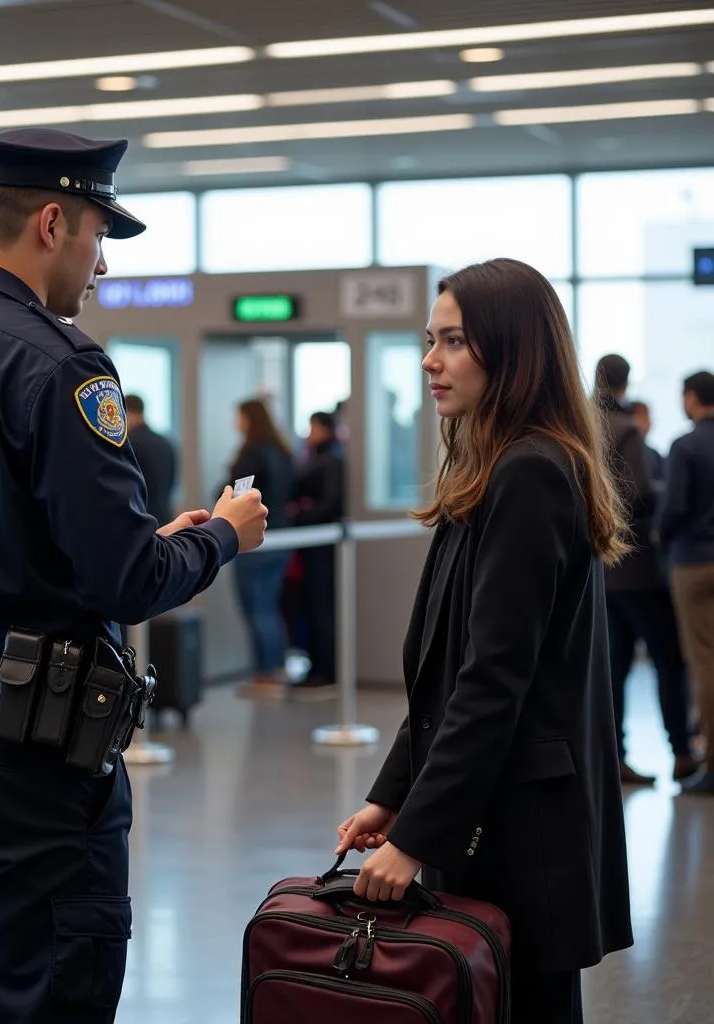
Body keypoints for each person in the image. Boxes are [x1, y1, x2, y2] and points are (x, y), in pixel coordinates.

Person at [0, 127, 268, 1024]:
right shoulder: (59, 365)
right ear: (54, 222)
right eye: (99, 236)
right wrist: (221, 536)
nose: (99, 265)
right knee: (42, 997)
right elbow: (127, 581)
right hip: (19, 752)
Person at [336, 259, 632, 1024]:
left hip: (520, 834)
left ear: (514, 351)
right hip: (491, 815)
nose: (431, 360)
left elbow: (493, 681)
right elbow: (446, 673)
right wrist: (390, 797)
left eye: (455, 341)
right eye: (430, 340)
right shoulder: (494, 465)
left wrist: (418, 832)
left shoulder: (530, 474)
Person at [594, 355, 697, 785]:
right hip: (637, 566)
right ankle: (681, 753)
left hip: (600, 568)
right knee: (668, 661)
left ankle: (613, 757)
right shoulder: (627, 429)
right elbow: (637, 493)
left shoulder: (579, 425)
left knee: (612, 666)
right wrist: (667, 492)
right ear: (626, 383)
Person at [659, 370, 714, 794]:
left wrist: (660, 534)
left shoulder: (686, 446)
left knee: (704, 663)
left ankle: (710, 762)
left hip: (694, 563)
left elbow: (673, 508)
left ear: (692, 398)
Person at [226, 397, 295, 697]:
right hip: (282, 537)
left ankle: (265, 675)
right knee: (270, 605)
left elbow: (236, 494)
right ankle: (276, 668)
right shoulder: (282, 452)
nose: (235, 422)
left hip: (256, 539)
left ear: (249, 419)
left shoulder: (251, 454)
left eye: (239, 416)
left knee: (256, 607)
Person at [289, 410, 344, 698]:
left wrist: (302, 514)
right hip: (311, 548)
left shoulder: (331, 460)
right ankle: (315, 666)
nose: (309, 433)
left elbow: (331, 503)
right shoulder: (314, 458)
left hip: (323, 547)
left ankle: (326, 669)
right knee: (310, 606)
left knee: (322, 608)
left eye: (313, 428)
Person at [125, 393, 177, 526]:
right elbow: (172, 481)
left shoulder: (128, 444)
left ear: (126, 411)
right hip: (165, 518)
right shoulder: (165, 443)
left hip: (139, 522)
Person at [630, 399, 664, 486]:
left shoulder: (654, 455)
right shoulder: (623, 450)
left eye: (648, 417)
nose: (648, 422)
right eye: (642, 417)